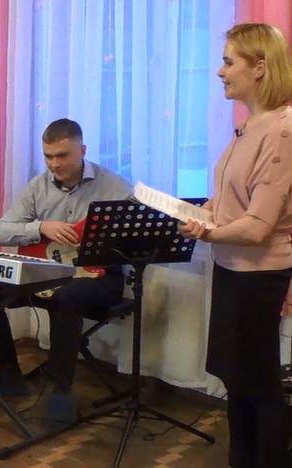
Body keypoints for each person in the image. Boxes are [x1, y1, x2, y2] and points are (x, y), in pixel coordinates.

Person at [179, 23, 292, 468]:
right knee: (237, 378)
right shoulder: (249, 125)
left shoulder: (283, 130)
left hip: (259, 274)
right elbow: (232, 199)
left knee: (257, 383)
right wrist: (203, 212)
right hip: (232, 269)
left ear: (259, 67)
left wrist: (206, 232)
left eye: (229, 62)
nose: (220, 71)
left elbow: (258, 227)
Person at [0, 118, 130, 424]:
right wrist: (42, 227)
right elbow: (1, 232)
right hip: (47, 271)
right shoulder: (38, 186)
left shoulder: (114, 186)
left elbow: (131, 237)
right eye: (49, 156)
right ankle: (8, 372)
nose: (54, 164)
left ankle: (60, 389)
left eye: (63, 156)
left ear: (83, 150)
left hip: (99, 276)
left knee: (66, 297)